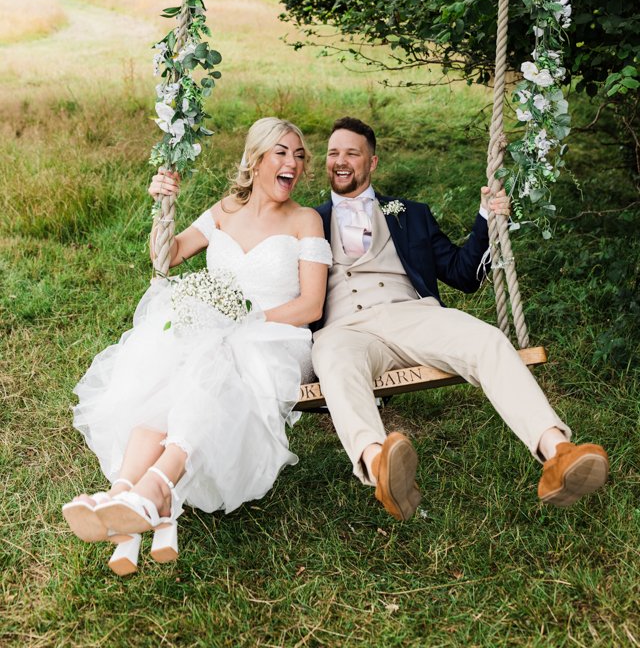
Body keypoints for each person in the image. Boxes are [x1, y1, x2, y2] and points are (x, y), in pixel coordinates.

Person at [62, 117, 332, 575]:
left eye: (300, 156)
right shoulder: (225, 209)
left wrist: (244, 320)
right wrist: (162, 207)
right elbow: (165, 256)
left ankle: (154, 488)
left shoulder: (307, 221)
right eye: (282, 152)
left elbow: (309, 305)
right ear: (255, 159)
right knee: (167, 367)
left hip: (274, 335)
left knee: (211, 361)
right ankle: (122, 494)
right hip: (212, 324)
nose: (293, 163)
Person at [311, 116, 609, 520]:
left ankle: (557, 454)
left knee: (485, 339)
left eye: (352, 153)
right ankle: (380, 465)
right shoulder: (307, 221)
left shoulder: (409, 213)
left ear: (372, 162)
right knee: (332, 358)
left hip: (411, 315)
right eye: (333, 153)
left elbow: (462, 274)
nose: (340, 161)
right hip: (345, 330)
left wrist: (487, 217)